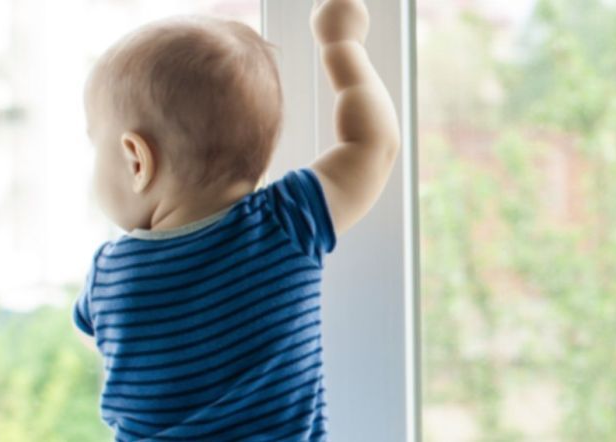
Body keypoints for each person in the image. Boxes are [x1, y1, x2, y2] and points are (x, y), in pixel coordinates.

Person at [72, 0, 400, 439]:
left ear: (137, 161)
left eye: (95, 145)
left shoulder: (108, 275)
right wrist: (341, 45)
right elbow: (373, 145)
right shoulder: (285, 223)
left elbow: (95, 340)